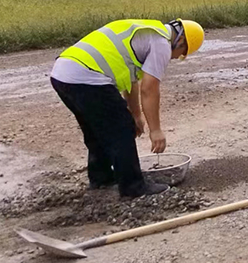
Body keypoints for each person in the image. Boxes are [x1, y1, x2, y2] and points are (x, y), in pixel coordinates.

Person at [50, 18, 205, 198]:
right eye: (181, 53)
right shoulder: (161, 43)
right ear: (180, 40)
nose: (176, 57)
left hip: (62, 75)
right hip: (86, 76)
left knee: (96, 129)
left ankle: (101, 179)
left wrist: (137, 115)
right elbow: (149, 88)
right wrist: (156, 131)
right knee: (121, 128)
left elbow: (132, 82)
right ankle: (133, 187)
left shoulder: (144, 32)